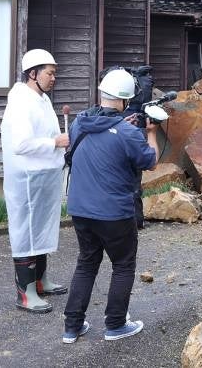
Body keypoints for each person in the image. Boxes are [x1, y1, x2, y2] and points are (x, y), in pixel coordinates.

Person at [61, 69, 159, 344]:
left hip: (80, 209)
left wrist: (124, 125)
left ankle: (72, 327)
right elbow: (150, 161)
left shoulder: (80, 122)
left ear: (102, 94)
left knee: (86, 263)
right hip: (114, 212)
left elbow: (99, 136)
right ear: (126, 101)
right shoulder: (129, 133)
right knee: (123, 265)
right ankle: (115, 324)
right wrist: (151, 133)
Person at [0, 48, 70, 313]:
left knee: (42, 230)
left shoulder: (40, 99)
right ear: (32, 73)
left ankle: (41, 281)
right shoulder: (21, 101)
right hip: (27, 180)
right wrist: (55, 142)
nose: (54, 78)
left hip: (44, 176)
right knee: (26, 233)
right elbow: (21, 144)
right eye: (50, 73)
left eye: (54, 73)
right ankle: (25, 293)